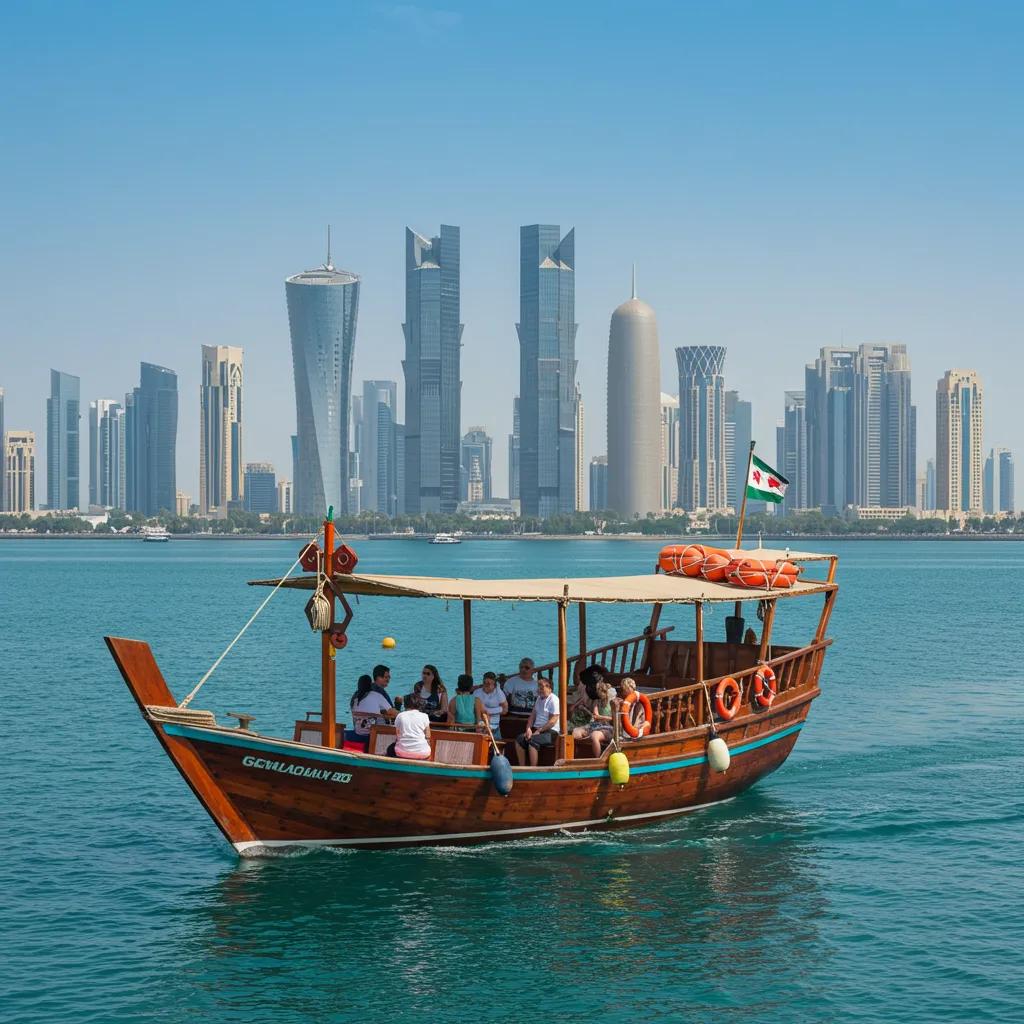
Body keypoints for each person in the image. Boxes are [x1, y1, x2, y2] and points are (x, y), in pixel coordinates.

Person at [515, 675, 560, 766]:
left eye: (542, 687)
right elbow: (532, 716)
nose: (540, 689)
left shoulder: (553, 699)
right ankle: (522, 768)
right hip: (538, 730)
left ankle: (533, 769)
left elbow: (553, 721)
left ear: (550, 689)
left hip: (551, 732)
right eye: (539, 687)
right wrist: (528, 729)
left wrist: (539, 731)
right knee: (519, 740)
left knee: (532, 741)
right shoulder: (539, 699)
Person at [349, 672, 396, 745]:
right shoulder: (376, 695)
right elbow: (392, 712)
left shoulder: (355, 699)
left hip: (358, 732)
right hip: (373, 733)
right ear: (370, 684)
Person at [573, 680, 615, 757]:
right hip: (596, 725)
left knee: (595, 736)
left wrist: (601, 717)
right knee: (575, 732)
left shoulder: (612, 702)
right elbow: (596, 715)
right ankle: (575, 757)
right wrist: (598, 717)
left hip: (608, 728)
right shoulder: (597, 700)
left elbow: (614, 718)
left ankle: (598, 760)